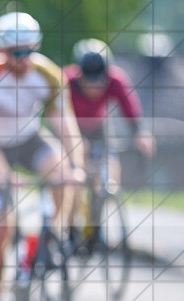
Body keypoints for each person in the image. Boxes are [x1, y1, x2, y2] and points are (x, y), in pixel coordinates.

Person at [0, 11, 84, 301]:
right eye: (15, 53)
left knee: (63, 177)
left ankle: (45, 242)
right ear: (1, 51)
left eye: (28, 51)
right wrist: (4, 175)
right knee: (1, 226)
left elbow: (66, 125)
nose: (22, 59)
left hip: (30, 141)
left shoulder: (48, 73)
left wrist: (76, 165)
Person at [65, 39, 155, 246]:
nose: (94, 88)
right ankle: (70, 229)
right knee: (75, 177)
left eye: (99, 82)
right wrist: (75, 143)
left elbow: (129, 108)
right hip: (70, 128)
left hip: (98, 127)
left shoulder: (116, 80)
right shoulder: (66, 81)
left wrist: (139, 133)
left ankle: (96, 222)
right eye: (89, 81)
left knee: (109, 170)